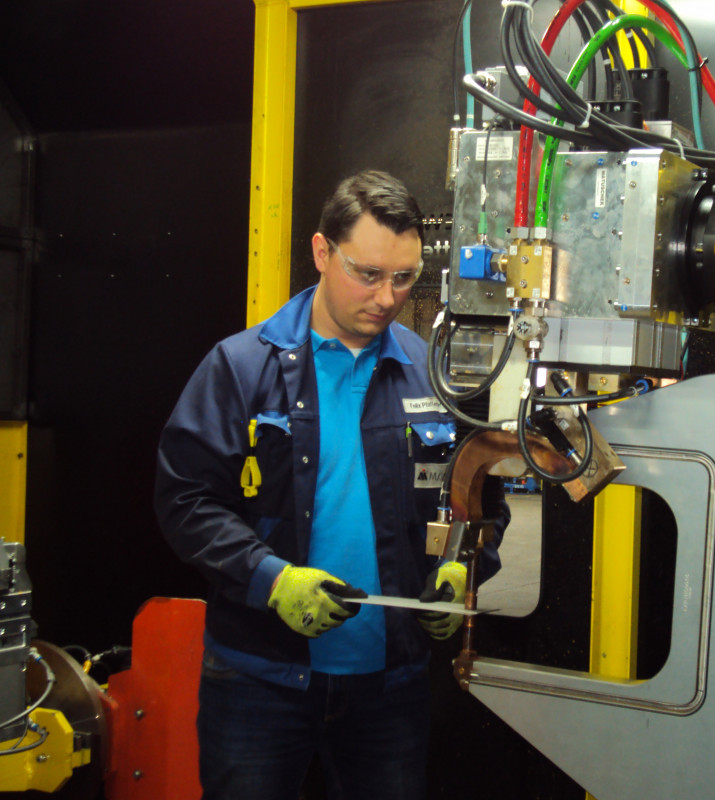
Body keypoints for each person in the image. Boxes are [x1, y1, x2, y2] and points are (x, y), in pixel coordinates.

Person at [154, 170, 509, 800]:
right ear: (322, 252)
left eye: (404, 277)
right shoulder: (241, 368)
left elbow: (481, 492)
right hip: (259, 682)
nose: (387, 297)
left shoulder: (432, 375)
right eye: (367, 274)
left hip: (389, 688)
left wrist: (463, 566)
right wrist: (271, 579)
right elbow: (186, 501)